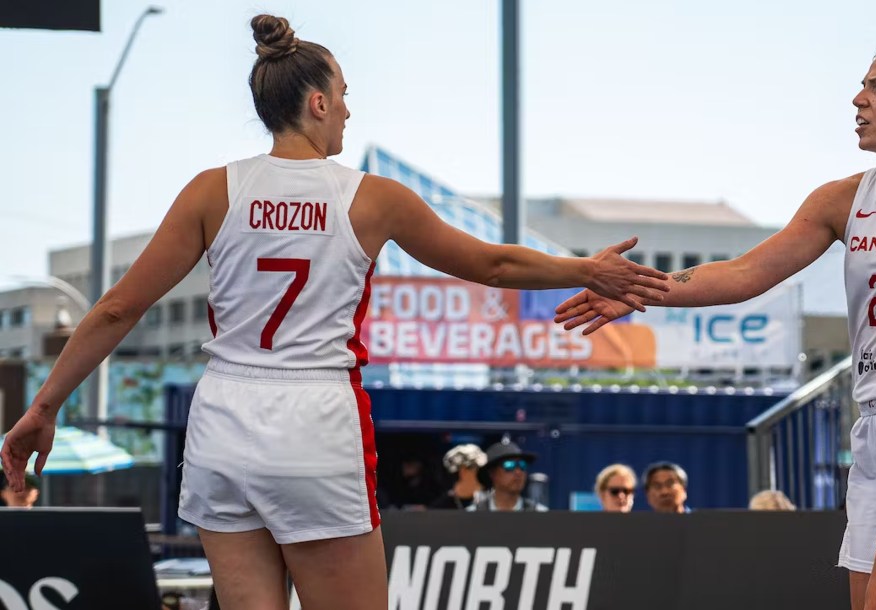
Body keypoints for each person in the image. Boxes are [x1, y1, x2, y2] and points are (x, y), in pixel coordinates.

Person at [0, 15, 668, 610]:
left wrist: (44, 407)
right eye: (344, 95)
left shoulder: (212, 190)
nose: (349, 109)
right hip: (314, 421)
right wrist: (588, 269)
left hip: (222, 423)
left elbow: (118, 308)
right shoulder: (369, 199)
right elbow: (492, 265)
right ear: (317, 102)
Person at [555, 43, 876, 610]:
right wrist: (637, 288)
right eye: (862, 86)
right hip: (874, 424)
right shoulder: (844, 197)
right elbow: (747, 271)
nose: (858, 99)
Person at [468, 440, 547, 512]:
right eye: (509, 465)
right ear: (492, 473)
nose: (518, 472)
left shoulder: (541, 515)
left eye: (522, 465)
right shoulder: (472, 515)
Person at [430, 443, 487, 510]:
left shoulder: (490, 500)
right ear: (463, 471)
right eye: (476, 468)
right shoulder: (441, 507)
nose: (482, 473)